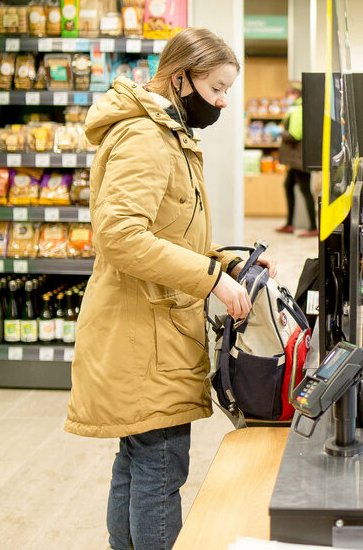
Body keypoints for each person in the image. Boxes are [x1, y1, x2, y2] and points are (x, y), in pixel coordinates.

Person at [64, 27, 276, 550]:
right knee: (160, 469)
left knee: (136, 461)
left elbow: (167, 233)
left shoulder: (169, 134)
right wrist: (213, 282)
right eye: (218, 88)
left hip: (149, 328)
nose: (223, 102)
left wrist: (226, 262)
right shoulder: (145, 138)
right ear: (181, 79)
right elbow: (120, 236)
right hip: (143, 334)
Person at [275, 82, 318, 237]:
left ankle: (313, 226)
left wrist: (280, 132)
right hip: (297, 158)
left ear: (296, 93)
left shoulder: (299, 109)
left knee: (305, 190)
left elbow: (295, 135)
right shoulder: (299, 108)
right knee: (289, 186)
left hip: (298, 159)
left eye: (290, 92)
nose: (288, 95)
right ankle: (289, 224)